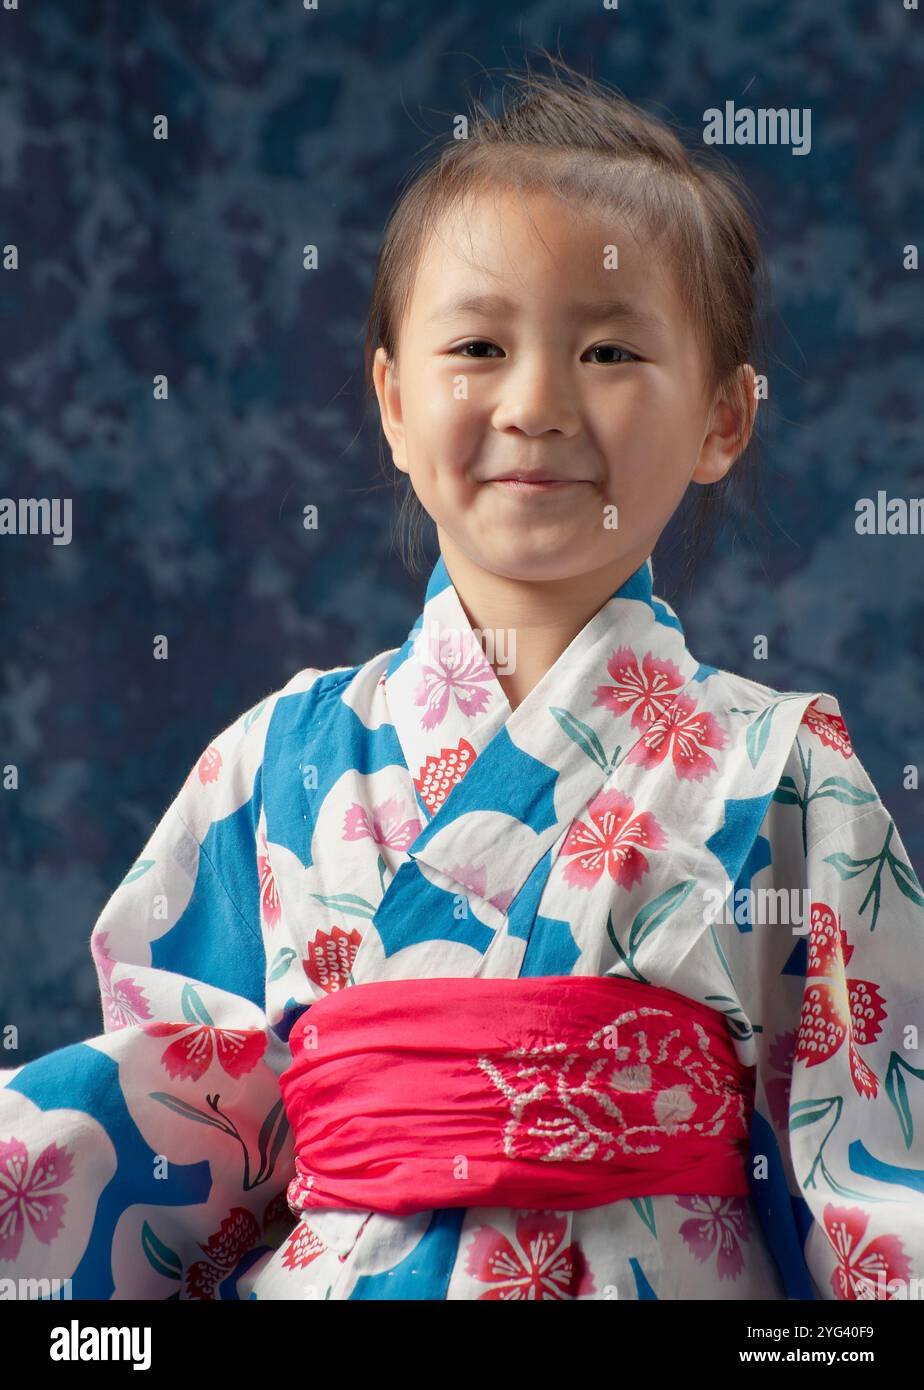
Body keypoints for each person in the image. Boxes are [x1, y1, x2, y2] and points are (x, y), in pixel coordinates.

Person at [3, 58, 923, 1303]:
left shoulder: (787, 772)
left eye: (607, 350)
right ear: (391, 401)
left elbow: (872, 1168)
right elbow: (165, 1106)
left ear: (722, 417)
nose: (537, 402)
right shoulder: (274, 763)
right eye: (480, 343)